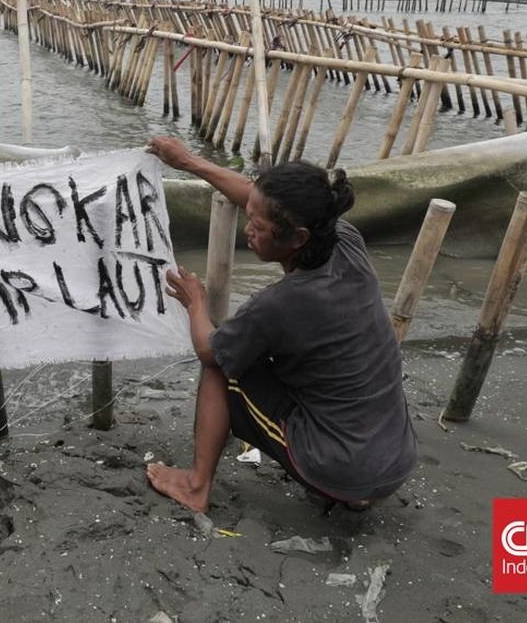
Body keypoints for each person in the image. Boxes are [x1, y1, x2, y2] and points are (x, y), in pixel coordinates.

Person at [143, 137, 416, 514]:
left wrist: (196, 303)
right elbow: (255, 196)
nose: (247, 230)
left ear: (297, 237)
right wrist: (189, 162)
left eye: (257, 225)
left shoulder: (280, 303)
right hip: (394, 459)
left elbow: (209, 349)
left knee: (222, 364)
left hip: (341, 467)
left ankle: (195, 486)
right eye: (249, 218)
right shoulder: (344, 240)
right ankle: (355, 493)